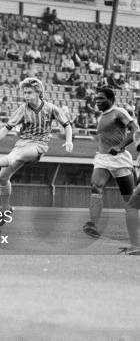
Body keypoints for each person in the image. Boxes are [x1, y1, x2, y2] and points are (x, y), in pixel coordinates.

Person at [0, 78, 73, 225]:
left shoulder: (50, 108)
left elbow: (67, 125)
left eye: (29, 92)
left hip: (38, 145)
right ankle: (6, 209)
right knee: (2, 177)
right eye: (24, 92)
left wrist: (69, 140)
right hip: (22, 143)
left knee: (15, 155)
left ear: (39, 93)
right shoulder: (23, 109)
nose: (26, 95)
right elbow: (6, 128)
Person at [81, 88, 139, 255]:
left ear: (111, 99)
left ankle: (135, 241)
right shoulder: (102, 115)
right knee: (96, 185)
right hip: (103, 158)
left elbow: (136, 130)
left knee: (130, 201)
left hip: (120, 159)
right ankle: (93, 225)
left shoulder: (118, 112)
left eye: (101, 98)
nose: (97, 101)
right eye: (96, 98)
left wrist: (120, 146)